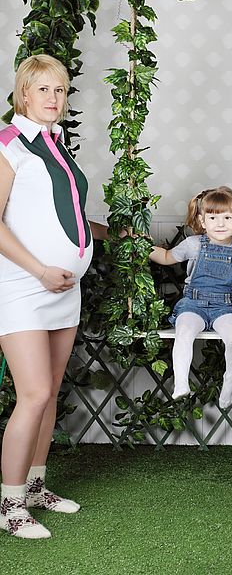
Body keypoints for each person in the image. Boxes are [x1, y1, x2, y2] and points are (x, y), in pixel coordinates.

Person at [0, 54, 108, 539]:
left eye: (60, 91)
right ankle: (9, 503)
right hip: (24, 285)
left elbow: (65, 214)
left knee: (51, 393)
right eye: (42, 89)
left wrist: (111, 233)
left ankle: (37, 486)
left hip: (64, 289)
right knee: (34, 393)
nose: (52, 99)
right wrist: (41, 270)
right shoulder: (7, 145)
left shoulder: (57, 145)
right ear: (23, 94)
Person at [150, 186, 232, 408]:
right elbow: (165, 257)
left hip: (227, 306)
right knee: (184, 331)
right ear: (202, 221)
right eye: (213, 217)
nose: (220, 224)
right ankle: (181, 383)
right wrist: (140, 244)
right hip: (194, 304)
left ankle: (229, 383)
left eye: (227, 217)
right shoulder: (193, 244)